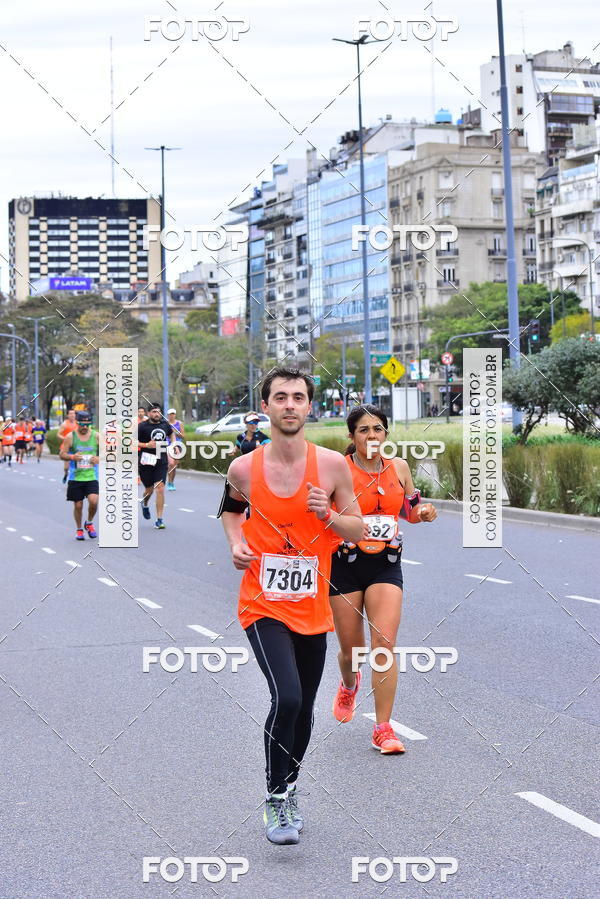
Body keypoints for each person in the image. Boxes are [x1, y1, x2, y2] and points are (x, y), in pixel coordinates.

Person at [219, 367, 363, 846]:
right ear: (265, 405)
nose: (289, 405)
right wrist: (236, 544)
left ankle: (292, 787)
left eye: (298, 397)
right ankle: (276, 798)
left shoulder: (334, 467)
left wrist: (330, 515)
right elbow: (231, 512)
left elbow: (358, 530)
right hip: (262, 602)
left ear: (309, 406)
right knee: (290, 697)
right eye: (280, 397)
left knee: (303, 714)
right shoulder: (244, 467)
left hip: (312, 604)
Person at [329, 404, 437, 754]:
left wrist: (422, 512)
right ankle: (349, 684)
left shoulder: (399, 468)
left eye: (377, 429)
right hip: (344, 565)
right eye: (363, 430)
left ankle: (383, 729)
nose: (371, 436)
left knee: (384, 646)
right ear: (352, 436)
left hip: (385, 566)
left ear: (385, 434)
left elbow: (409, 509)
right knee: (351, 650)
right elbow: (322, 513)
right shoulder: (338, 469)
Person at [60, 410, 100, 541]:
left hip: (91, 475)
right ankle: (79, 529)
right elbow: (62, 454)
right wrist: (72, 456)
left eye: (87, 425)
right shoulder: (70, 437)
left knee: (94, 501)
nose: (84, 427)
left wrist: (99, 458)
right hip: (75, 477)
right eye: (82, 424)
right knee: (78, 505)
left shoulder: (96, 436)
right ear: (77, 423)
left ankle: (89, 523)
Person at [138, 403, 175, 529]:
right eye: (154, 411)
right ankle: (145, 503)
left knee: (160, 488)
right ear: (149, 413)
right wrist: (146, 445)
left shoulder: (165, 424)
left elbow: (171, 434)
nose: (156, 414)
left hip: (161, 460)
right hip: (146, 461)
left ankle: (159, 519)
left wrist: (173, 445)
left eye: (158, 412)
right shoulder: (142, 426)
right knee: (149, 490)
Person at [166, 408, 184, 491]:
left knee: (174, 465)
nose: (172, 415)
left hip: (178, 445)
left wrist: (175, 432)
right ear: (168, 415)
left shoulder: (179, 423)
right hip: (168, 445)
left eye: (173, 414)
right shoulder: (165, 423)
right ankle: (169, 482)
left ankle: (171, 482)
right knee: (171, 464)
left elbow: (183, 436)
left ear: (175, 415)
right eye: (170, 414)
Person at [58, 410, 77, 483]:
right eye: (71, 414)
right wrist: (66, 439)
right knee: (66, 467)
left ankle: (73, 479)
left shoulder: (77, 423)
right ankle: (66, 473)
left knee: (76, 464)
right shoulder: (64, 424)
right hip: (66, 446)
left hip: (75, 446)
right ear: (68, 415)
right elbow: (58, 434)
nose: (72, 415)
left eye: (73, 414)